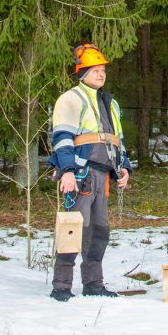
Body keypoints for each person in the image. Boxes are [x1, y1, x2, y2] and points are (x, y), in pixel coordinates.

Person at [47, 43, 132, 302]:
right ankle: (62, 285)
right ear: (82, 72)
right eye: (95, 70)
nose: (101, 73)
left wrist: (124, 168)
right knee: (73, 229)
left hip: (104, 175)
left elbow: (118, 139)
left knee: (98, 232)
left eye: (103, 69)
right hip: (81, 174)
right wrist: (67, 171)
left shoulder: (110, 103)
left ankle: (93, 283)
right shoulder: (71, 98)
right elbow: (62, 137)